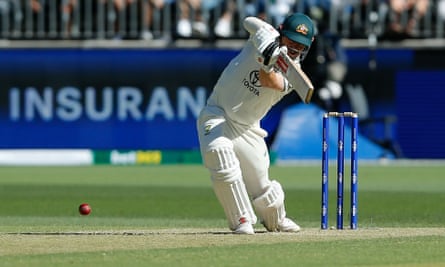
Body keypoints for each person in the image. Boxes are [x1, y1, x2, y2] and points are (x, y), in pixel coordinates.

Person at [196, 13, 315, 234]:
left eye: (301, 45)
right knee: (219, 151)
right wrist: (265, 44)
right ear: (281, 32)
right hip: (217, 114)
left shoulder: (294, 76)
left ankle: (276, 220)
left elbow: (267, 80)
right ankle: (241, 220)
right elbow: (248, 21)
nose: (295, 48)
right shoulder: (267, 35)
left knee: (263, 189)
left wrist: (268, 64)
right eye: (291, 41)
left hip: (248, 129)